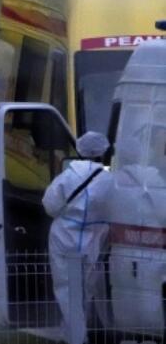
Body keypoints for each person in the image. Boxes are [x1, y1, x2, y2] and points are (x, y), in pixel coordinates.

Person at [42, 131, 114, 329]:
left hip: (64, 236)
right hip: (93, 237)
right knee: (87, 286)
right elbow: (114, 208)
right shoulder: (109, 180)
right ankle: (81, 328)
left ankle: (76, 333)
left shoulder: (68, 175)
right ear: (103, 151)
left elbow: (49, 204)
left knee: (66, 285)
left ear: (80, 150)